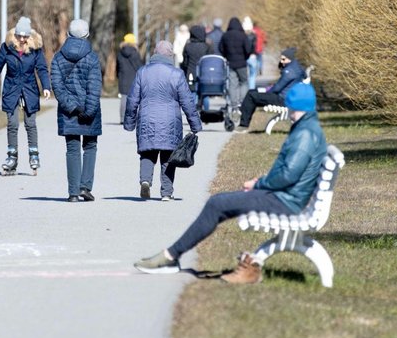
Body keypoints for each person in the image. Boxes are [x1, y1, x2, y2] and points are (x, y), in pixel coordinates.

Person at [134, 82, 326, 283]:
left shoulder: (305, 133)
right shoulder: (306, 128)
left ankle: (170, 257)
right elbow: (288, 173)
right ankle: (171, 255)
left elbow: (288, 176)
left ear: (298, 107)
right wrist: (260, 182)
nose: (288, 110)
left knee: (218, 203)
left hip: (286, 202)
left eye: (291, 106)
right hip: (286, 197)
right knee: (219, 202)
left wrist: (258, 185)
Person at [123, 41, 202, 201]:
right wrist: (195, 124)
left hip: (147, 120)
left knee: (147, 153)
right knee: (168, 156)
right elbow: (187, 101)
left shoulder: (142, 72)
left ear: (155, 53)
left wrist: (129, 122)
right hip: (170, 123)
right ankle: (166, 192)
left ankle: (145, 181)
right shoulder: (177, 74)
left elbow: (132, 100)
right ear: (170, 55)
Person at [0, 16, 51, 175]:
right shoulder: (7, 48)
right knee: (12, 124)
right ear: (15, 34)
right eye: (20, 36)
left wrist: (46, 86)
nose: (22, 39)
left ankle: (34, 156)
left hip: (29, 89)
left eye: (25, 36)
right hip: (11, 89)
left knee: (30, 123)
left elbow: (42, 69)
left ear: (30, 36)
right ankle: (12, 158)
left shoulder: (36, 49)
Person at [50, 19, 102, 202]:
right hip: (90, 111)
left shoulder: (58, 57)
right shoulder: (92, 57)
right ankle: (85, 187)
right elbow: (94, 87)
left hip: (68, 113)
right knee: (90, 146)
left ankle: (73, 192)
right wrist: (88, 110)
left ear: (68, 34)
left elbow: (57, 85)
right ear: (87, 35)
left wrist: (72, 107)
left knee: (72, 149)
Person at [234, 47, 305, 133]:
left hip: (283, 100)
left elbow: (277, 88)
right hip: (287, 98)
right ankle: (242, 110)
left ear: (290, 59)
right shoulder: (296, 67)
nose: (281, 61)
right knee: (251, 92)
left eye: (283, 59)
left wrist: (266, 91)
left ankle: (243, 124)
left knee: (251, 96)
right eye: (281, 59)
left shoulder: (289, 71)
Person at [218, 17, 252, 110]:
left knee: (233, 84)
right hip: (242, 64)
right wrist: (246, 57)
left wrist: (226, 56)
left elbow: (220, 48)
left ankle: (234, 104)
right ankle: (243, 102)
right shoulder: (243, 35)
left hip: (231, 63)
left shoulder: (225, 36)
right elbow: (248, 48)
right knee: (244, 82)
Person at [116, 33, 143, 124]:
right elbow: (138, 66)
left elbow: (117, 66)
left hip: (123, 78)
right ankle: (132, 118)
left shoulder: (120, 53)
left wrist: (118, 76)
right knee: (134, 99)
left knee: (124, 98)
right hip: (133, 78)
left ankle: (122, 118)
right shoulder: (135, 53)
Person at [180, 25, 212, 89]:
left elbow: (185, 62)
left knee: (191, 92)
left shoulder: (188, 46)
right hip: (204, 73)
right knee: (204, 94)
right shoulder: (206, 46)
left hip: (191, 74)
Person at [242, 16, 258, 90]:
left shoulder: (242, 35)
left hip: (244, 56)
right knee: (252, 75)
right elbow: (255, 46)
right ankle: (251, 89)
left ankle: (245, 89)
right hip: (252, 56)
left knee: (244, 75)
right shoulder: (254, 35)